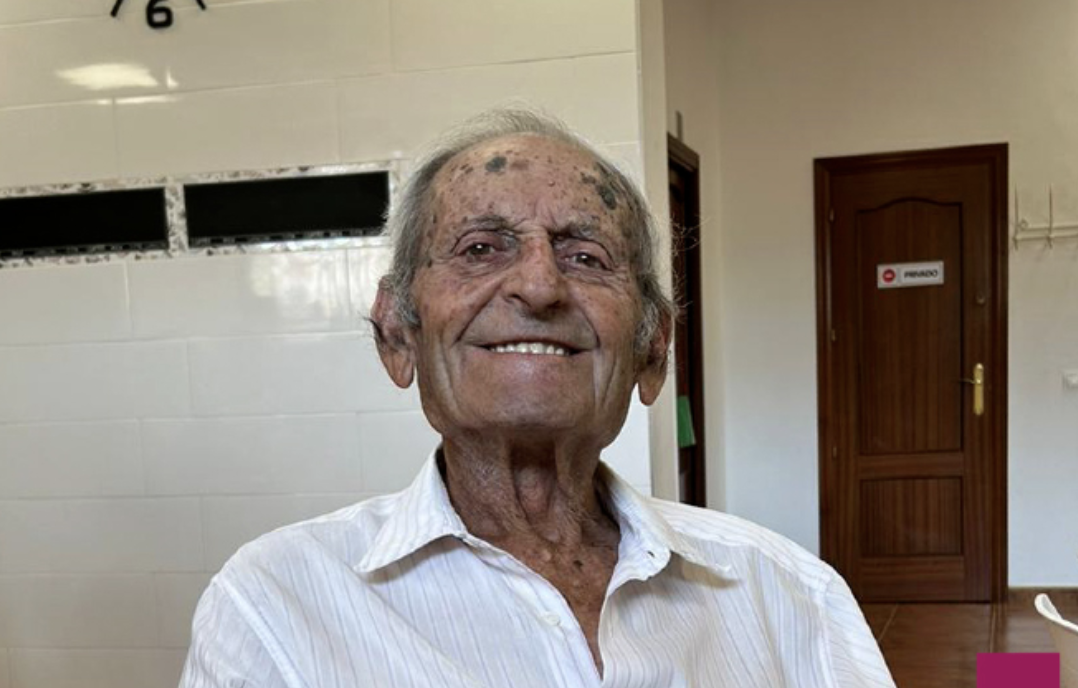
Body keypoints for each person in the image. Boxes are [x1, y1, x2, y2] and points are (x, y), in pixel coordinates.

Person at [179, 109, 895, 688]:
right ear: (397, 334)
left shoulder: (784, 592)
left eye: (586, 256)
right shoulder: (276, 602)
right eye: (480, 248)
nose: (540, 286)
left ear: (652, 351)